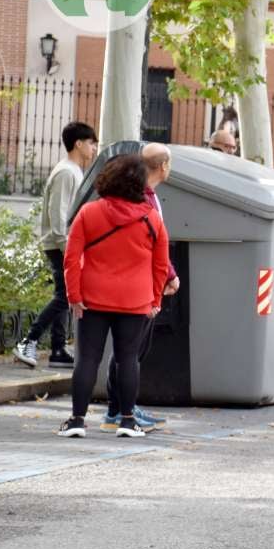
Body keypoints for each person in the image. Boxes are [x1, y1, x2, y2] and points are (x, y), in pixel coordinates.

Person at [57, 154, 169, 439]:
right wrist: (155, 299)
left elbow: (71, 259)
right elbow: (160, 264)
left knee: (87, 360)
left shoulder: (89, 213)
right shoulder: (151, 218)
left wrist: (74, 295)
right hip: (135, 300)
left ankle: (77, 420)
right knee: (128, 359)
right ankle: (128, 421)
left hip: (92, 298)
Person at [101, 144, 180, 432]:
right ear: (163, 166)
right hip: (142, 283)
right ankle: (117, 410)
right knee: (129, 350)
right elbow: (152, 240)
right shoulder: (143, 198)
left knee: (134, 350)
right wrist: (170, 274)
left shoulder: (147, 195)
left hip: (146, 281)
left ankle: (125, 406)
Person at [14, 121, 99, 369]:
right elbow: (58, 215)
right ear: (78, 144)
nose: (94, 148)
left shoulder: (73, 170)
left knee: (64, 295)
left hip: (65, 244)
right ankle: (27, 340)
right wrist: (69, 248)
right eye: (91, 143)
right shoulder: (65, 172)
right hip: (61, 244)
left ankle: (58, 349)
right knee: (65, 296)